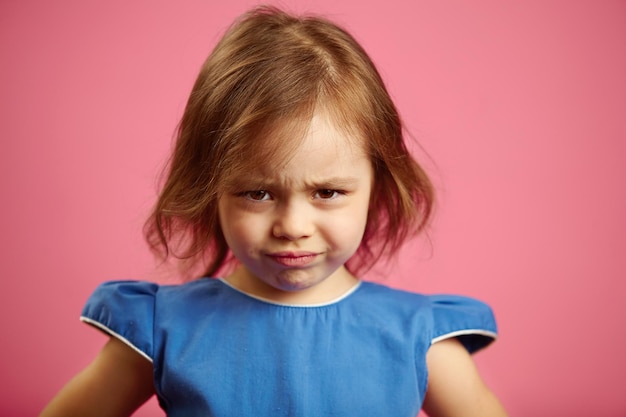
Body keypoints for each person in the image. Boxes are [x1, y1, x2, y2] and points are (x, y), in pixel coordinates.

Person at [41, 5, 508, 417]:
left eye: (327, 192)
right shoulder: (163, 329)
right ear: (211, 187)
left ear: (377, 185)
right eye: (257, 194)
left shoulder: (419, 339)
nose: (292, 227)